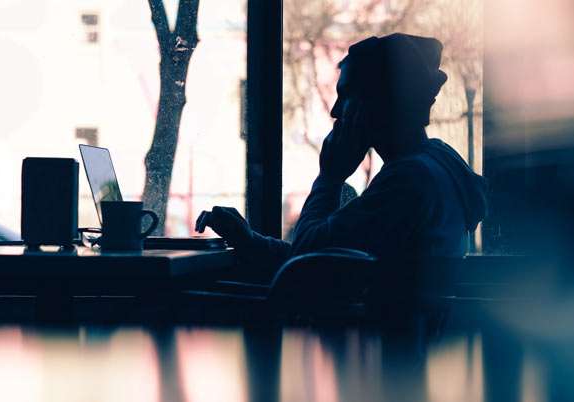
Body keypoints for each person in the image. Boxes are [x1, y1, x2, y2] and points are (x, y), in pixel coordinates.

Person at [196, 33, 487, 279]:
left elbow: (305, 261)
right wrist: (250, 241)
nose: (336, 111)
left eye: (346, 95)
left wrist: (329, 178)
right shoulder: (435, 162)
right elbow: (328, 253)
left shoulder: (408, 180)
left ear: (381, 101)